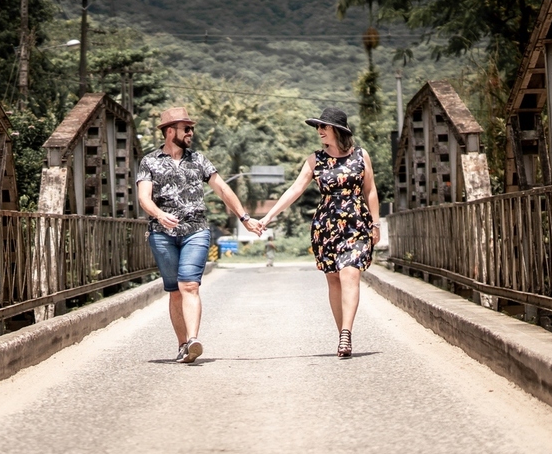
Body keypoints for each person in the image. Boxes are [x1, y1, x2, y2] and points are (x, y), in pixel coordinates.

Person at [137, 106, 262, 363]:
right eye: (187, 128)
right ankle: (183, 345)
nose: (191, 132)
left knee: (189, 285)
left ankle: (193, 339)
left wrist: (245, 217)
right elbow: (143, 198)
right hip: (162, 233)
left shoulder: (199, 160)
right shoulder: (149, 161)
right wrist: (160, 215)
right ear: (170, 131)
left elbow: (223, 190)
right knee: (174, 290)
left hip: (196, 231)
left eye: (191, 128)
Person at [258, 107, 380, 358]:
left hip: (357, 223)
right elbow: (294, 190)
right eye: (318, 127)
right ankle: (342, 336)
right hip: (326, 226)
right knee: (334, 280)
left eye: (323, 127)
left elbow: (370, 191)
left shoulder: (360, 156)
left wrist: (375, 224)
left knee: (350, 274)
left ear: (337, 129)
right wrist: (268, 217)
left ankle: (346, 332)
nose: (319, 131)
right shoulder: (315, 160)